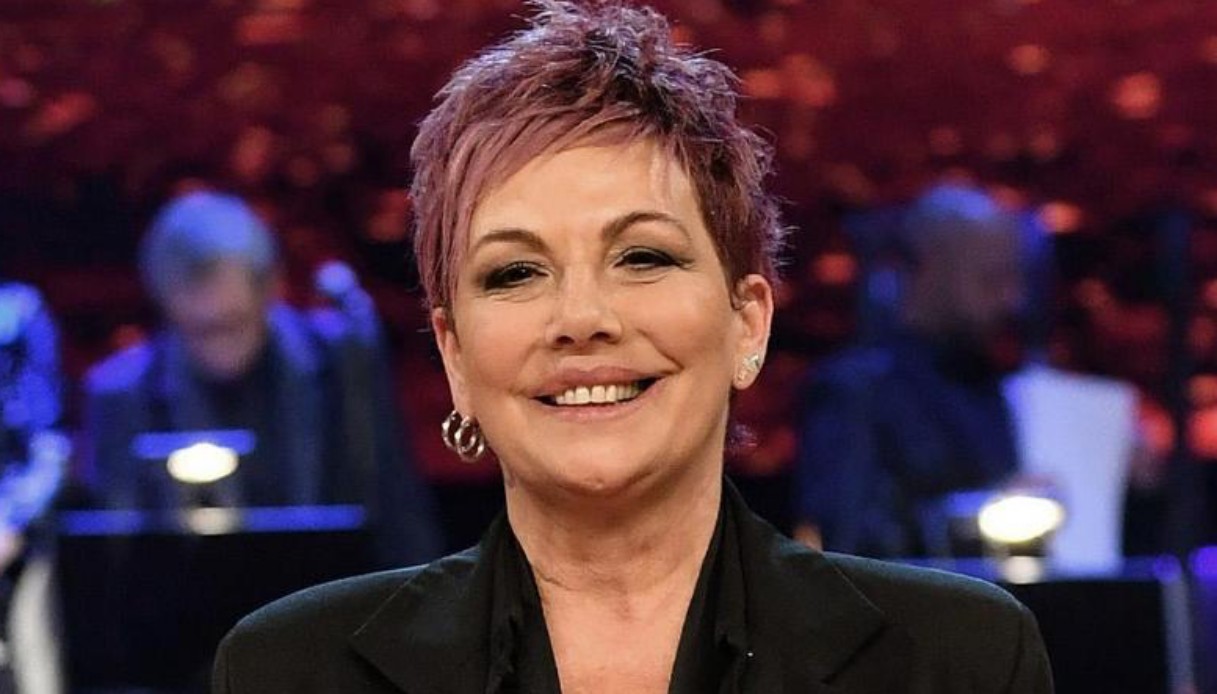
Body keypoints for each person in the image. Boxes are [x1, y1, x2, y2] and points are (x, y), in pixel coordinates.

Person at [213, 3, 1052, 692]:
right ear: (455, 355)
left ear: (747, 322)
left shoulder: (958, 661)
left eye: (642, 257)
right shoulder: (291, 671)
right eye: (515, 273)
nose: (581, 317)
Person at [82, 190, 441, 566]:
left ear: (270, 289)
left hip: (331, 591)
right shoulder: (119, 394)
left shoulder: (343, 364)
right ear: (166, 307)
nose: (218, 349)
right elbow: (116, 561)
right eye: (198, 331)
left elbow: (400, 511)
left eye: (232, 324)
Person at [792, 183, 1029, 557]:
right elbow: (847, 543)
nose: (1012, 299)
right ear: (932, 268)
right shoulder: (856, 392)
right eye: (991, 278)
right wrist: (968, 518)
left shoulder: (988, 385)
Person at [0, 280, 69, 693]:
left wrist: (11, 521)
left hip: (18, 541)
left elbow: (48, 442)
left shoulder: (15, 315)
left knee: (32, 659)